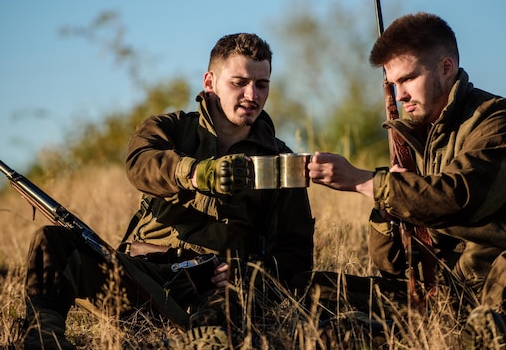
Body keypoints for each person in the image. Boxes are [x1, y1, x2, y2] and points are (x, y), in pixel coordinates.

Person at [20, 33, 314, 349]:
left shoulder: (282, 163)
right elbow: (139, 163)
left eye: (261, 84)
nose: (251, 95)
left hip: (215, 288)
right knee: (52, 241)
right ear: (210, 82)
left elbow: (296, 258)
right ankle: (43, 338)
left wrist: (250, 273)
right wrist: (195, 173)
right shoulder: (170, 129)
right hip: (141, 276)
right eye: (239, 82)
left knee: (229, 314)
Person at [305, 12, 506, 348]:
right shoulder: (416, 141)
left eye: (408, 79)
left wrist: (365, 182)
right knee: (312, 288)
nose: (400, 94)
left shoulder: (503, 122)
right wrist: (387, 209)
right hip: (447, 292)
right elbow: (390, 265)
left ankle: (490, 333)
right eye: (392, 84)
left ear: (446, 68)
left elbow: (459, 198)